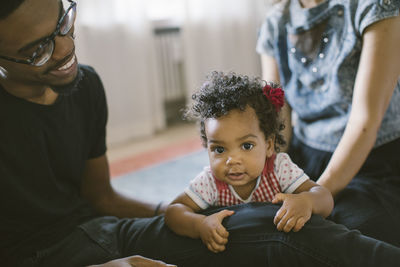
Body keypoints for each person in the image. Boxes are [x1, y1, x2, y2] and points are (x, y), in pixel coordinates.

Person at [1, 0, 400, 266]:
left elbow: (100, 197)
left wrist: (193, 215)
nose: (66, 47)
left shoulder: (84, 84)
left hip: (104, 229)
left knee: (273, 227)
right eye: (38, 50)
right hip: (56, 253)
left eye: (64, 21)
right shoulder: (278, 21)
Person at [256, 0, 400, 246]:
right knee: (257, 222)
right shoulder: (276, 21)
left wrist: (315, 195)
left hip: (371, 159)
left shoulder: (375, 6)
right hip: (305, 154)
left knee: (352, 236)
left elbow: (365, 120)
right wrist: (265, 175)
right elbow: (276, 119)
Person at [165, 72, 333, 253]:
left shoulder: (278, 168)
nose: (233, 160)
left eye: (246, 146)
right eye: (219, 150)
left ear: (269, 145)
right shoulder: (211, 182)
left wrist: (307, 201)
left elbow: (324, 197)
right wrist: (200, 225)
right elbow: (174, 210)